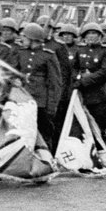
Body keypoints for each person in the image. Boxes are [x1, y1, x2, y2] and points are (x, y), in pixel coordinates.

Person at [13, 22, 62, 151]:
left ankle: (46, 159)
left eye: (24, 36)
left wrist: (51, 107)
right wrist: (15, 79)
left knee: (44, 134)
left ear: (32, 39)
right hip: (23, 100)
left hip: (41, 102)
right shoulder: (21, 53)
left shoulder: (48, 55)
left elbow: (55, 84)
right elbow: (13, 72)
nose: (22, 39)